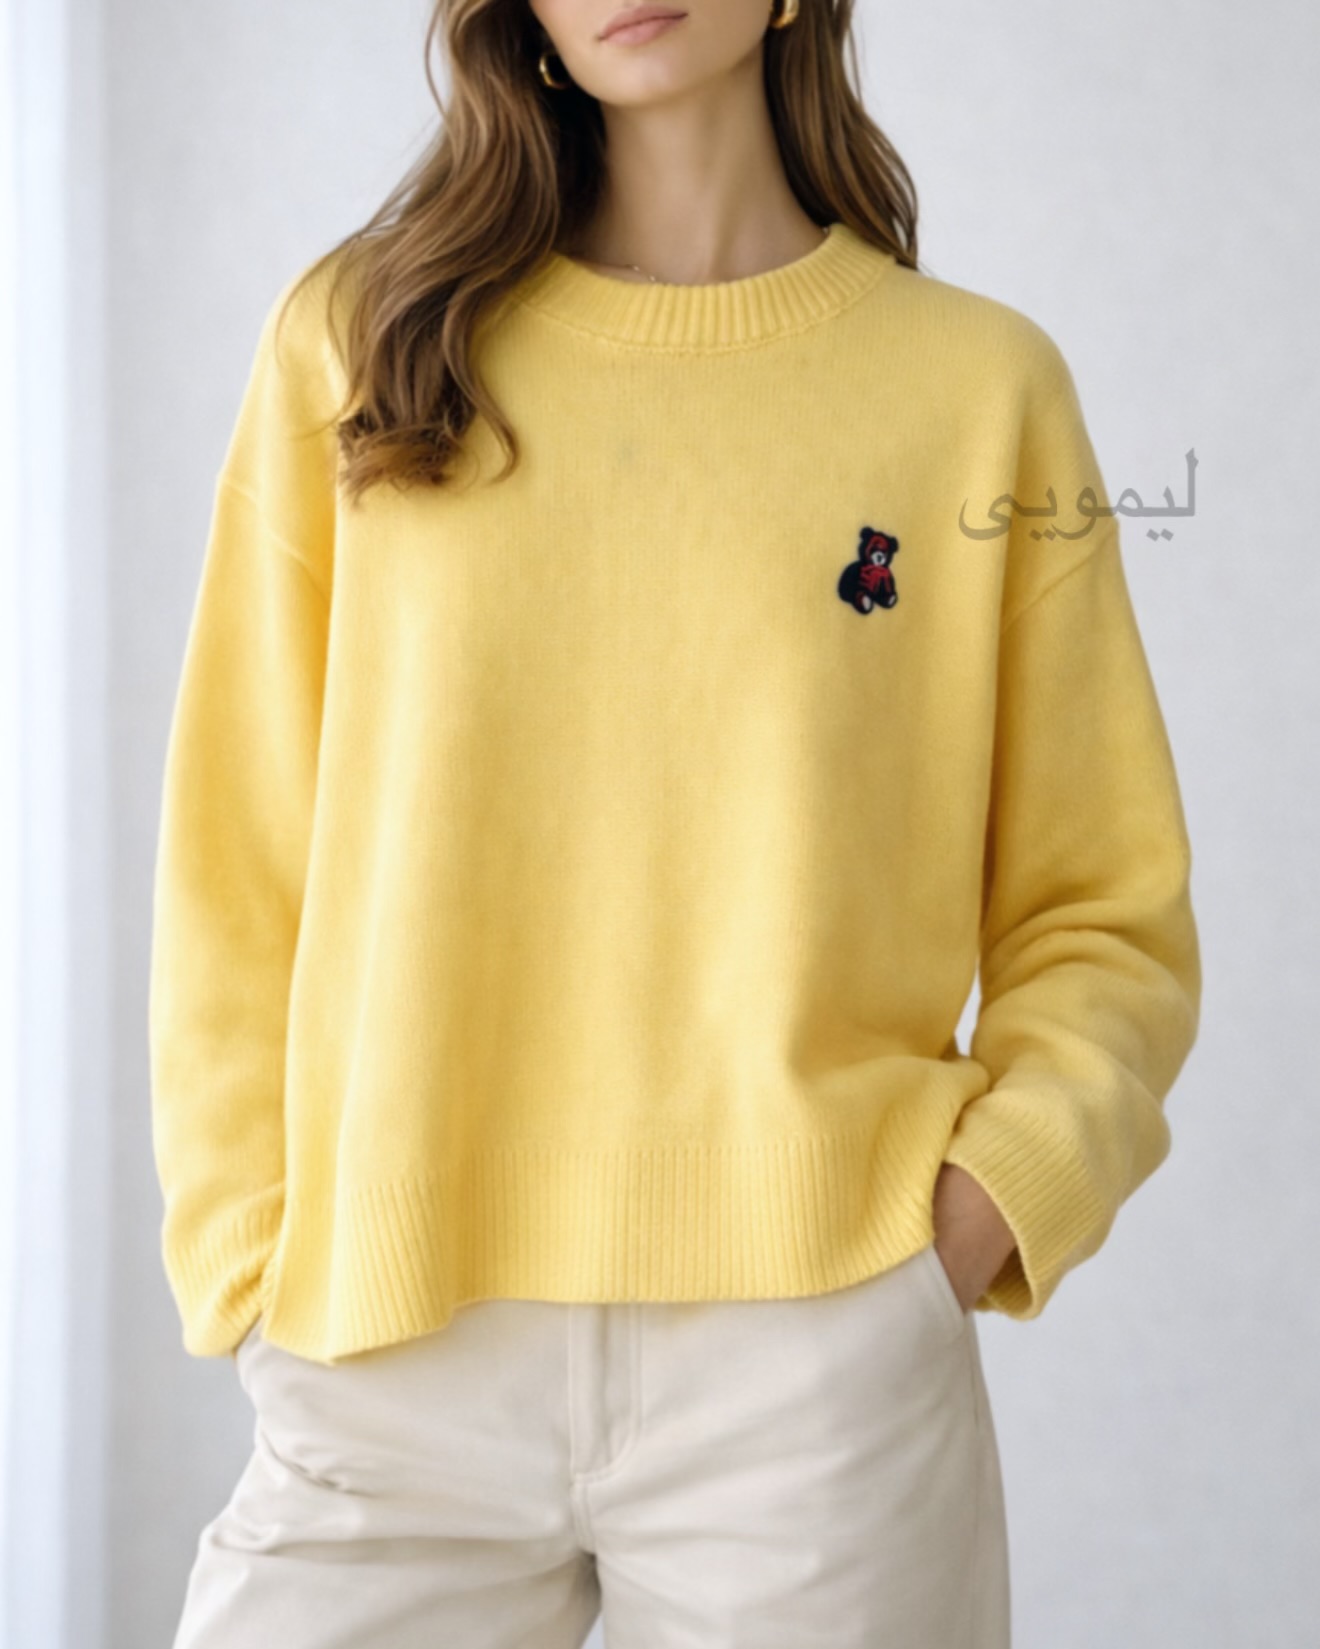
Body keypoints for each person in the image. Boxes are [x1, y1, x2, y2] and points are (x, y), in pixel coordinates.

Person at [150, 1, 1202, 1644]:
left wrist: (971, 1218)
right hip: (389, 1349)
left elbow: (1103, 910)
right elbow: (239, 851)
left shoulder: (978, 389)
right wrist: (248, 1258)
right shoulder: (360, 342)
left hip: (815, 1373)